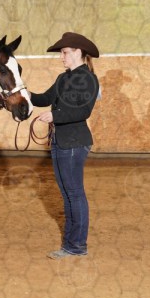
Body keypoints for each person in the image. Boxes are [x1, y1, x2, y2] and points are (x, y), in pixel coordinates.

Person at [30, 32, 100, 259]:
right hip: (61, 141)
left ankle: (76, 246)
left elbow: (83, 111)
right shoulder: (63, 78)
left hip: (74, 143)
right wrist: (21, 92)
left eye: (65, 52)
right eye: (61, 53)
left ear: (78, 52)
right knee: (68, 194)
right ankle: (71, 244)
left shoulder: (88, 79)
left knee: (74, 194)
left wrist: (54, 116)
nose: (62, 57)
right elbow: (43, 98)